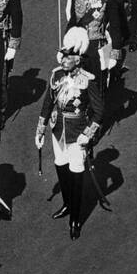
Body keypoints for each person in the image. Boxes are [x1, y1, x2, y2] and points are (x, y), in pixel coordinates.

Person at [36, 26, 103, 238]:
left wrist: (88, 133)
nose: (63, 58)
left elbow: (99, 110)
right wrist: (40, 130)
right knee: (60, 166)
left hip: (77, 132)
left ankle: (76, 217)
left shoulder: (87, 79)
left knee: (76, 172)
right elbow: (48, 103)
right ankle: (66, 203)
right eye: (63, 55)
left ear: (78, 58)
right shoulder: (55, 75)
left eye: (68, 56)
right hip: (57, 129)